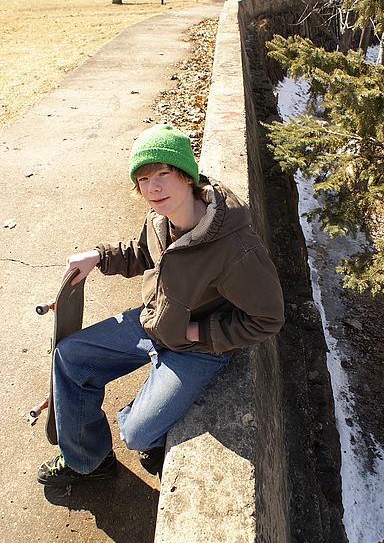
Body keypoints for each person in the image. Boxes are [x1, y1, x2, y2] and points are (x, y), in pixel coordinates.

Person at [37, 123, 285, 486]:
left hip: (196, 348)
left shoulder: (237, 248)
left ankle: (148, 424)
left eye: (163, 174)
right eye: (143, 179)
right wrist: (99, 257)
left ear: (187, 175)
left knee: (136, 435)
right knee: (70, 358)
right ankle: (88, 461)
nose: (152, 188)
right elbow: (142, 254)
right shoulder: (159, 218)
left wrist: (200, 331)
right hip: (153, 320)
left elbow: (268, 318)